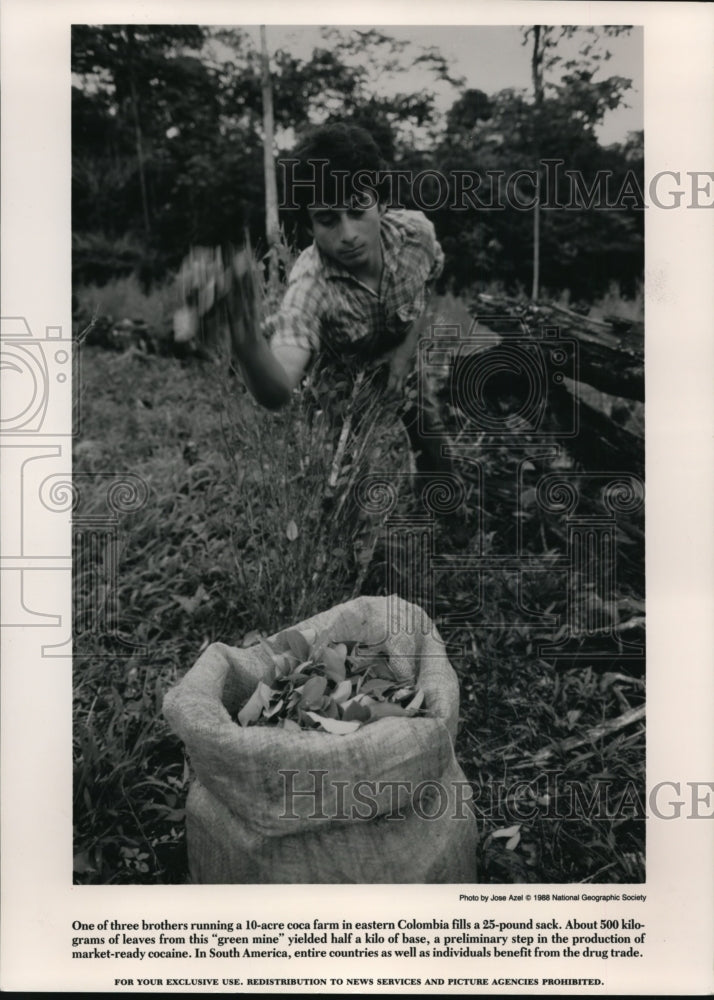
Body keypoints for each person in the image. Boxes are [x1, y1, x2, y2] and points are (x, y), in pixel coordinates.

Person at [175, 121, 459, 495]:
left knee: (427, 432)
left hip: (400, 355)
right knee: (345, 472)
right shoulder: (309, 285)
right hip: (341, 383)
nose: (348, 235)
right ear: (309, 225)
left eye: (358, 211)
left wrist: (403, 357)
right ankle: (347, 540)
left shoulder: (416, 236)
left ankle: (446, 508)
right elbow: (277, 390)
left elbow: (428, 285)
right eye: (327, 219)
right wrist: (243, 335)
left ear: (382, 202)